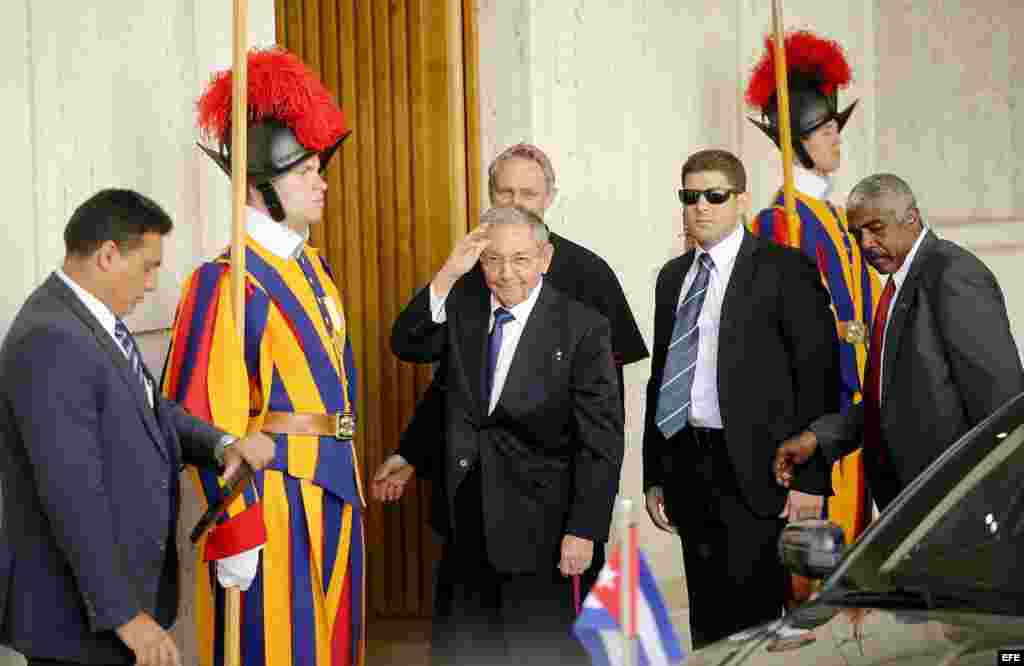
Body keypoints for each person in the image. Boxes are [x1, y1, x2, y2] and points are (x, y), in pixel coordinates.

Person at [0, 189, 274, 666]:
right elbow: (72, 494)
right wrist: (125, 614)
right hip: (82, 622)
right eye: (148, 266)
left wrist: (221, 445)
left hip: (112, 609)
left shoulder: (92, 319)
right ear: (108, 255)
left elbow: (152, 409)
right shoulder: (51, 337)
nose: (152, 284)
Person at [162, 48, 365, 666]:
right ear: (259, 188)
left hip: (333, 483)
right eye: (304, 170)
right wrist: (236, 527)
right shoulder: (223, 281)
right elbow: (198, 415)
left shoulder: (315, 269)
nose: (321, 180)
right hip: (272, 499)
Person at [374, 142, 646, 596]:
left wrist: (587, 522)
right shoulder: (472, 276)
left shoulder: (588, 276)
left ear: (549, 198)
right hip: (469, 507)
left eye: (528, 194)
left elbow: (603, 426)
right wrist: (411, 453)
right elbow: (449, 385)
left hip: (546, 513)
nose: (516, 204)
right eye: (505, 194)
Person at [387, 205, 624, 665]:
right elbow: (408, 344)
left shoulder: (583, 328)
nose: (506, 274)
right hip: (466, 517)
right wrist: (448, 272)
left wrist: (584, 529)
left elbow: (602, 441)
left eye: (520, 259)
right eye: (493, 260)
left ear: (544, 258)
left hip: (544, 531)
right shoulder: (464, 309)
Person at [642, 149, 839, 648]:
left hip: (759, 475)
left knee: (755, 628)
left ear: (742, 200)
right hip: (689, 467)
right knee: (707, 627)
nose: (701, 207)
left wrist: (811, 480)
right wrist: (655, 474)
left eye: (714, 195)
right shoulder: (672, 277)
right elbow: (662, 378)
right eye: (690, 197)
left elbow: (818, 379)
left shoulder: (783, 270)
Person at [774, 174, 1024, 510]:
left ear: (911, 218)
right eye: (856, 233)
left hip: (956, 507)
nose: (865, 244)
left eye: (876, 228)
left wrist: (996, 507)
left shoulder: (952, 275)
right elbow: (889, 398)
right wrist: (819, 438)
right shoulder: (897, 285)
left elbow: (1000, 404)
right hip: (911, 507)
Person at [746, 30, 880, 544]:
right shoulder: (779, 223)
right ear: (796, 143)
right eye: (823, 130)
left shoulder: (838, 216)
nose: (835, 139)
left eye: (834, 128)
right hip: (819, 413)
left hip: (859, 408)